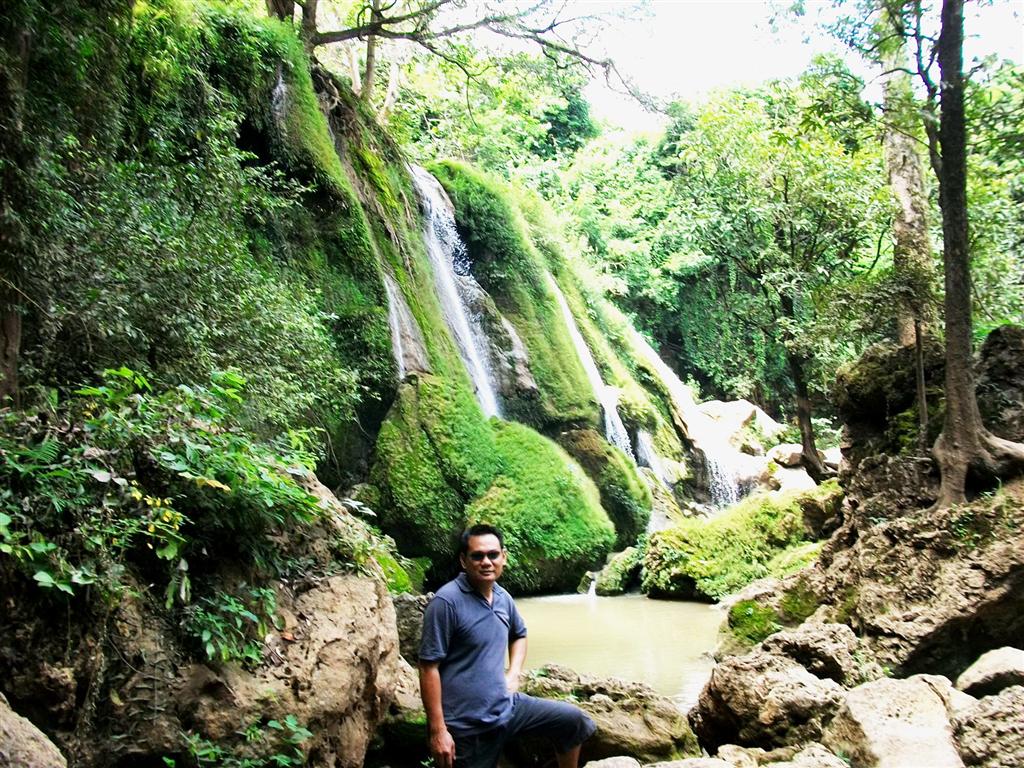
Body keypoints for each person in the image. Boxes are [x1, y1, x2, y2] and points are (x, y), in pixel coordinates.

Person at [419, 524, 596, 768]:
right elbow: (428, 667)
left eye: (493, 555)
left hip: (508, 708)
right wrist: (438, 731)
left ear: (504, 557)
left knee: (572, 722)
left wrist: (513, 673)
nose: (486, 562)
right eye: (477, 556)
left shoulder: (503, 598)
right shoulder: (446, 602)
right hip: (466, 725)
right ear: (463, 561)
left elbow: (519, 634)